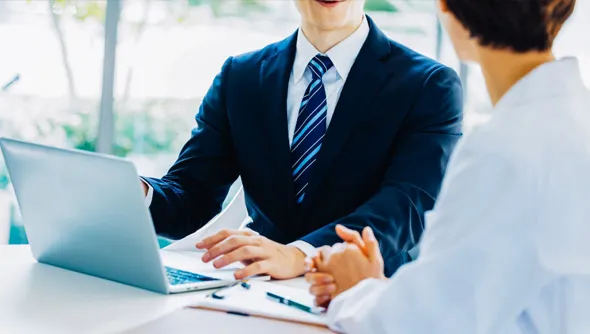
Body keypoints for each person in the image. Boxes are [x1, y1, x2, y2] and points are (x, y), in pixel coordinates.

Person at [306, 0, 590, 333]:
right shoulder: (572, 120)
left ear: (448, 9)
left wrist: (354, 290)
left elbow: (428, 323)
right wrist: (379, 288)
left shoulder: (504, 149)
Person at [141, 0, 463, 280]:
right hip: (253, 292)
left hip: (361, 298)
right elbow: (192, 199)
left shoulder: (428, 86)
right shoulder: (241, 77)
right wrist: (134, 193)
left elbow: (408, 206)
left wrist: (301, 255)